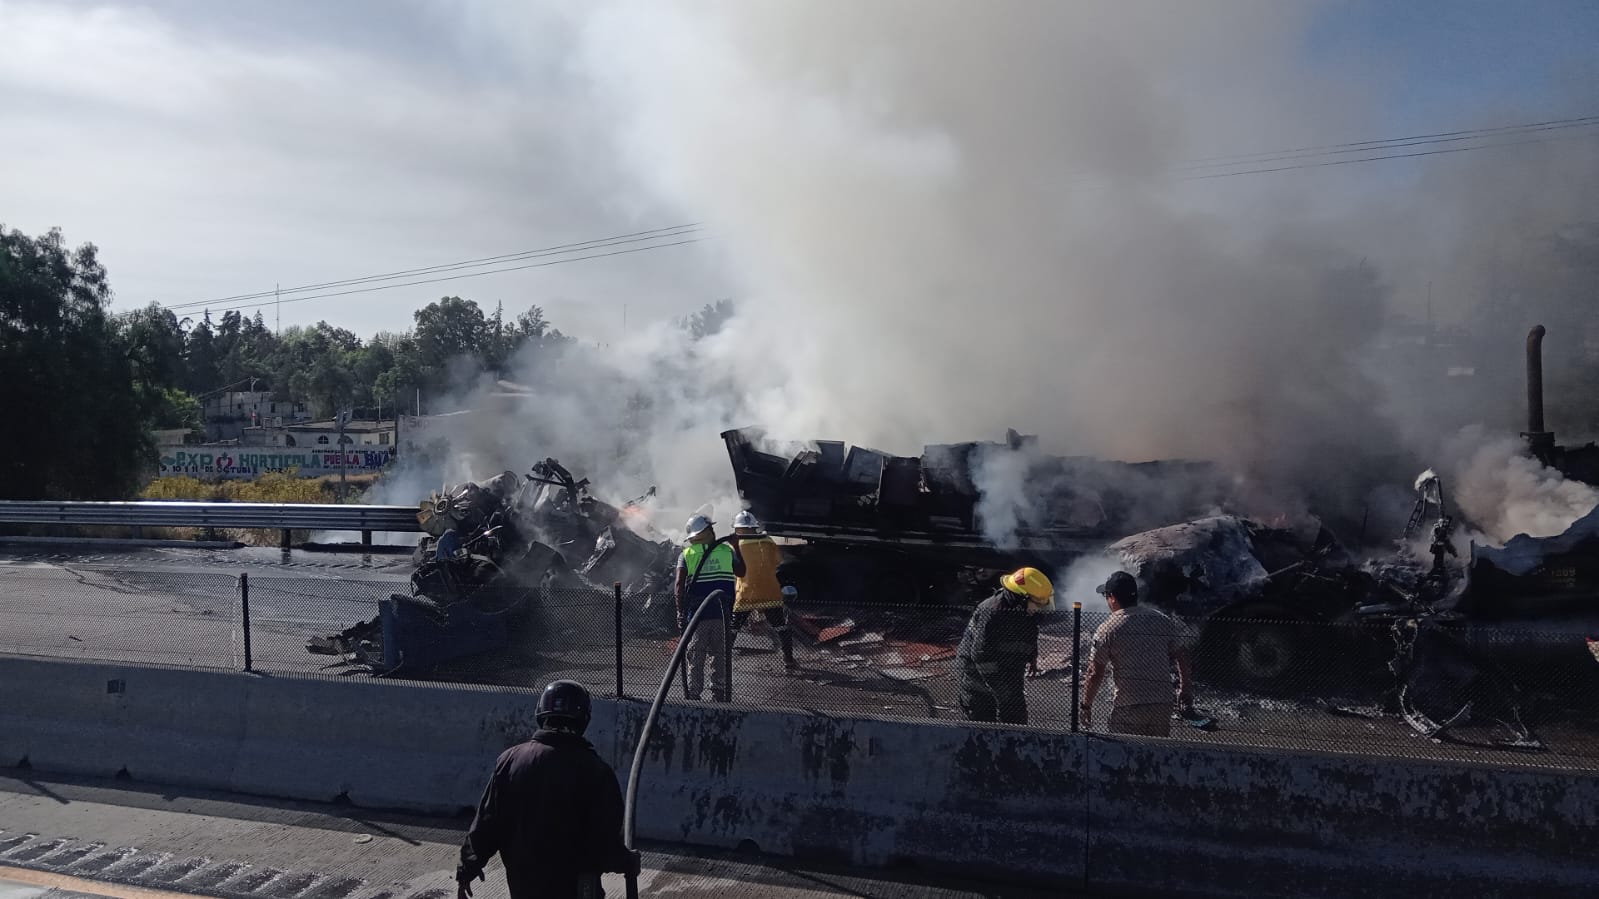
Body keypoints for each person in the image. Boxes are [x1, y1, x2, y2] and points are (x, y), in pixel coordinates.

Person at [456, 680, 640, 899]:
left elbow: (487, 824)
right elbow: (602, 843)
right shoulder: (596, 771)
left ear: (541, 713)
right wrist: (626, 861)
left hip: (524, 889)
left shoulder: (509, 761)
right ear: (584, 719)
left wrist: (467, 869)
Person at [1080, 570, 1194, 737]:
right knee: (1157, 755)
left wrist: (1086, 705)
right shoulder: (1161, 620)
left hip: (1128, 706)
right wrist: (1185, 689)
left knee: (1123, 756)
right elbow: (1183, 655)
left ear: (1112, 597)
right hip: (1162, 705)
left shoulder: (1108, 628)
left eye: (1106, 596)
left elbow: (1095, 672)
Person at [956, 567, 1054, 724]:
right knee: (983, 728)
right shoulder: (992, 612)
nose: (1039, 608)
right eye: (1036, 603)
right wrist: (1001, 690)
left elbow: (1030, 632)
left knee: (1016, 720)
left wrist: (1032, 656)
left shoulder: (1024, 611)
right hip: (978, 681)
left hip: (1007, 672)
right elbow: (980, 655)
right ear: (1022, 598)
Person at [674, 513, 745, 701]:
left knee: (696, 655)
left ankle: (694, 693)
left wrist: (680, 612)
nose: (714, 531)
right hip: (720, 613)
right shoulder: (726, 551)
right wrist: (736, 547)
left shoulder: (686, 554)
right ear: (704, 532)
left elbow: (679, 587)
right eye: (710, 529)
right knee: (719, 655)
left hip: (698, 615)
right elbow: (742, 571)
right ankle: (718, 692)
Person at [729, 511, 798, 671]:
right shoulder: (768, 541)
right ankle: (788, 660)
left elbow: (734, 568)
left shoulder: (734, 545)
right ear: (754, 527)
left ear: (739, 529)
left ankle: (723, 661)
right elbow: (777, 562)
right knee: (780, 626)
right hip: (769, 591)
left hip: (746, 593)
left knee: (734, 627)